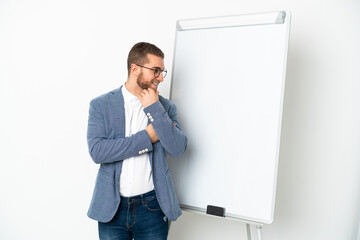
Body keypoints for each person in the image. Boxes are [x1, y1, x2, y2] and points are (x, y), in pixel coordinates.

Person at [86, 42, 187, 240]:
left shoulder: (165, 108)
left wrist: (155, 109)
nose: (161, 77)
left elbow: (177, 148)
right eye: (156, 71)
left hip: (152, 207)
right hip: (111, 208)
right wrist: (147, 138)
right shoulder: (101, 105)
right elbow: (98, 151)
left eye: (162, 71)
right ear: (135, 69)